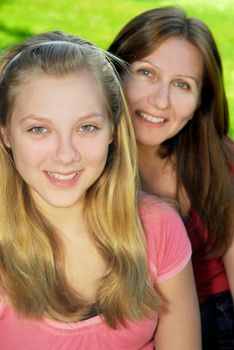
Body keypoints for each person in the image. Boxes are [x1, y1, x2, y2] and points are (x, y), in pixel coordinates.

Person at [0, 31, 201, 349]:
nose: (66, 155)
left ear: (112, 130)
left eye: (86, 127)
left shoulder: (158, 227)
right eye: (39, 129)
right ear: (6, 134)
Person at [108, 6, 234, 350]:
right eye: (146, 73)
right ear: (114, 73)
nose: (161, 101)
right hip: (132, 326)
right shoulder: (82, 162)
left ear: (200, 102)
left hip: (221, 317)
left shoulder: (219, 159)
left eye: (182, 84)